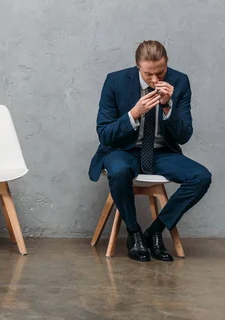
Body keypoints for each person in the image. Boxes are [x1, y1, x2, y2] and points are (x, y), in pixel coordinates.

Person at [89, 40, 211, 262]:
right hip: (123, 150)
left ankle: (155, 231)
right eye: (148, 74)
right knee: (119, 172)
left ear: (167, 64)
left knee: (201, 177)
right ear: (138, 67)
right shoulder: (115, 81)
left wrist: (167, 106)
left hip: (161, 152)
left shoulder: (180, 81)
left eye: (161, 72)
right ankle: (134, 233)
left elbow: (184, 135)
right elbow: (104, 133)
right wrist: (133, 114)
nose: (156, 80)